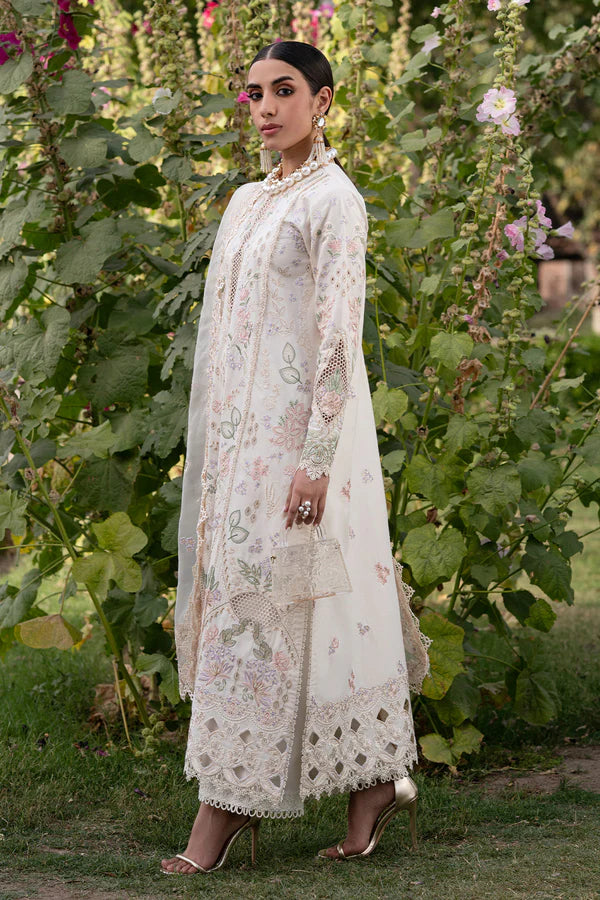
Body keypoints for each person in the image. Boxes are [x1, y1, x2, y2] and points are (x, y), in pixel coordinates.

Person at [160, 39, 430, 876]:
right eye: (254, 94)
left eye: (285, 91)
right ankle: (373, 784)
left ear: (324, 100)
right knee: (268, 606)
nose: (267, 107)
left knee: (273, 613)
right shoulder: (245, 201)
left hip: (302, 451)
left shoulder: (336, 202)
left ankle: (225, 811)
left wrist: (315, 459)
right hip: (241, 457)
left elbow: (336, 342)